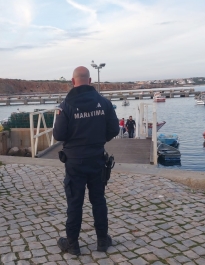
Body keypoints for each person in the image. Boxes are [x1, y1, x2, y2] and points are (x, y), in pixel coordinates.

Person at [53, 66, 119, 256]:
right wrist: (97, 142)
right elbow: (114, 129)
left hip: (74, 162)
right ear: (90, 81)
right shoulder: (104, 103)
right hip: (97, 159)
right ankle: (102, 241)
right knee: (98, 200)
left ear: (73, 82)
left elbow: (58, 134)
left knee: (75, 203)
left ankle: (72, 244)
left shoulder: (65, 106)